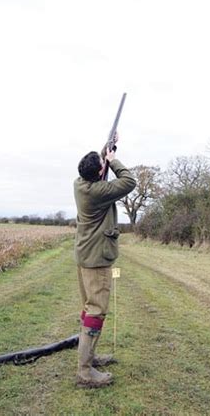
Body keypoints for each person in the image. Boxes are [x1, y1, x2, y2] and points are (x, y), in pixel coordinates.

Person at [74, 134, 136, 388]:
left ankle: (90, 358)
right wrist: (114, 159)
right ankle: (85, 372)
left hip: (85, 256)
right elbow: (129, 181)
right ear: (100, 172)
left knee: (90, 309)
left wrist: (108, 147)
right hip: (97, 259)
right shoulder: (99, 192)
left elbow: (98, 167)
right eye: (103, 165)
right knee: (96, 313)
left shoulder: (80, 183)